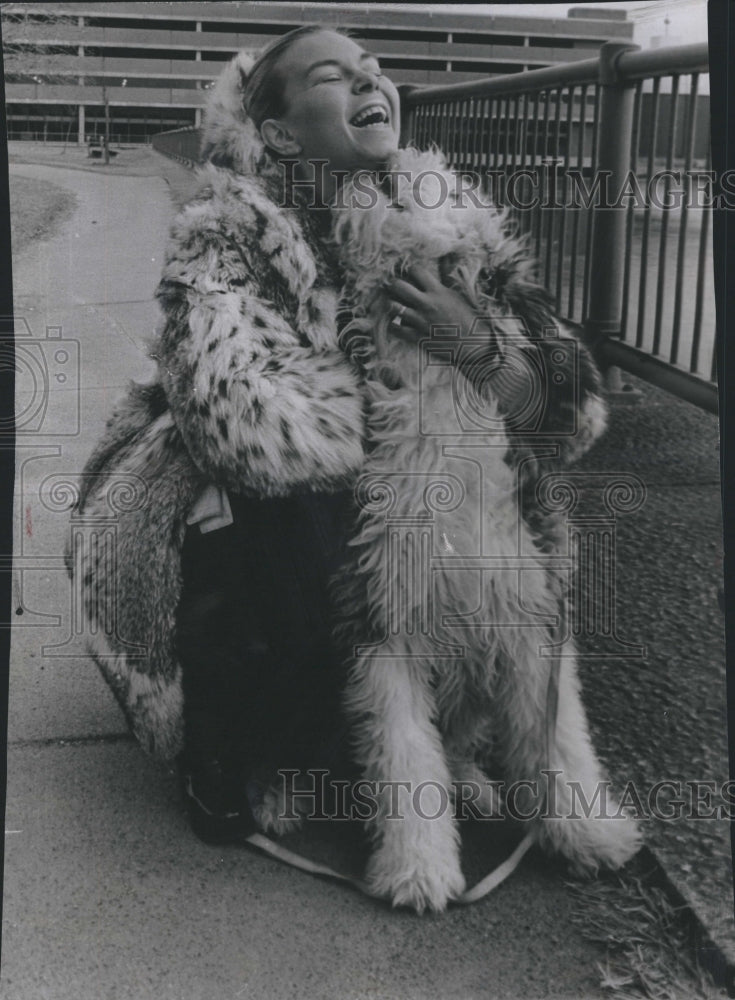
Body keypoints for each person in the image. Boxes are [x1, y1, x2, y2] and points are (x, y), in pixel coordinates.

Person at [67, 25, 607, 847]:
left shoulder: (453, 219)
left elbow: (569, 415)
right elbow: (239, 420)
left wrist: (477, 351)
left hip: (399, 479)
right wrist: (408, 402)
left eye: (374, 70)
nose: (369, 83)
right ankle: (234, 741)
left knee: (496, 524)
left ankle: (453, 741)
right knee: (305, 542)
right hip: (237, 485)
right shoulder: (225, 230)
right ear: (279, 132)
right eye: (334, 76)